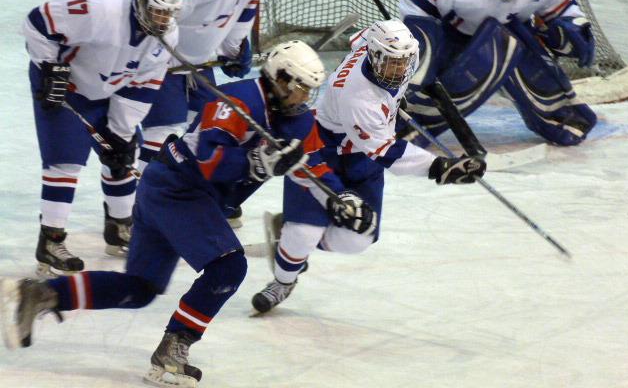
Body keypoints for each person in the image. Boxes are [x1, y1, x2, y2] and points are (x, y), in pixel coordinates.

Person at [0, 40, 372, 388]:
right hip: (177, 188)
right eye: (301, 88)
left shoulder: (297, 119)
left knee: (140, 288)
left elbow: (312, 165)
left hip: (176, 193)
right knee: (228, 267)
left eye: (310, 90)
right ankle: (172, 350)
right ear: (280, 78)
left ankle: (41, 295)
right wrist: (256, 162)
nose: (305, 98)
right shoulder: (239, 100)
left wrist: (340, 197)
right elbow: (210, 159)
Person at [251, 19, 487, 314]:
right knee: (302, 234)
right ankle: (283, 280)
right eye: (391, 63)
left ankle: (291, 239)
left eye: (403, 62)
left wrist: (395, 99)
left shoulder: (383, 52)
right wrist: (441, 167)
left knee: (356, 238)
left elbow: (362, 37)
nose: (399, 70)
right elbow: (386, 152)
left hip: (361, 161)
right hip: (323, 151)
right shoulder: (358, 97)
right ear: (374, 55)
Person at [23, 0, 183, 276]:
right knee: (65, 162)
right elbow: (38, 21)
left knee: (123, 153)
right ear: (140, 2)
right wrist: (49, 66)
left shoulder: (167, 36)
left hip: (107, 90)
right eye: (158, 11)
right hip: (66, 87)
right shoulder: (101, 9)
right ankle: (51, 241)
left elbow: (143, 84)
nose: (163, 20)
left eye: (169, 13)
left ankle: (119, 227)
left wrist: (121, 131)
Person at [398, 0, 597, 147]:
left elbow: (565, 9)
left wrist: (572, 29)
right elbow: (416, 3)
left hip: (514, 34)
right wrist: (423, 43)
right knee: (452, 87)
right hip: (458, 38)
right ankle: (409, 123)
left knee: (538, 77)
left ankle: (560, 118)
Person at [136, 0, 272, 229]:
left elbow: (245, 7)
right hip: (161, 58)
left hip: (195, 62)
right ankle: (140, 210)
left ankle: (201, 199)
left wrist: (233, 48)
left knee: (208, 127)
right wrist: (159, 61)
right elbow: (159, 16)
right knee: (160, 134)